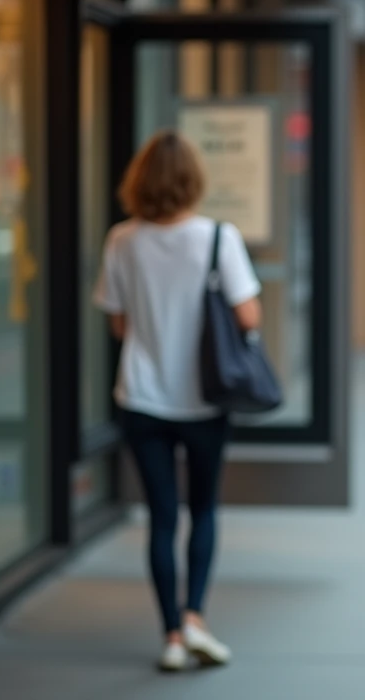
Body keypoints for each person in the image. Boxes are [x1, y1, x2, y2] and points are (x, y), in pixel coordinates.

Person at [94, 131, 262, 671]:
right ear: (193, 179)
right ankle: (195, 618)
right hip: (204, 400)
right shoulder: (217, 236)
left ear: (139, 181)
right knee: (203, 508)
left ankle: (170, 634)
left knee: (162, 517)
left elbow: (118, 323)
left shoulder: (121, 240)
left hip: (141, 398)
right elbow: (248, 318)